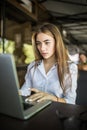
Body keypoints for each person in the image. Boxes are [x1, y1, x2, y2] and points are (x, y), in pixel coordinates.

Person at [20, 23, 78, 104]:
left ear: (57, 42)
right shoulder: (33, 65)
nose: (42, 48)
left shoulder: (70, 67)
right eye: (38, 43)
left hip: (57, 112)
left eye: (47, 42)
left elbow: (71, 101)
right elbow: (25, 90)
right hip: (36, 109)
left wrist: (52, 98)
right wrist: (16, 93)